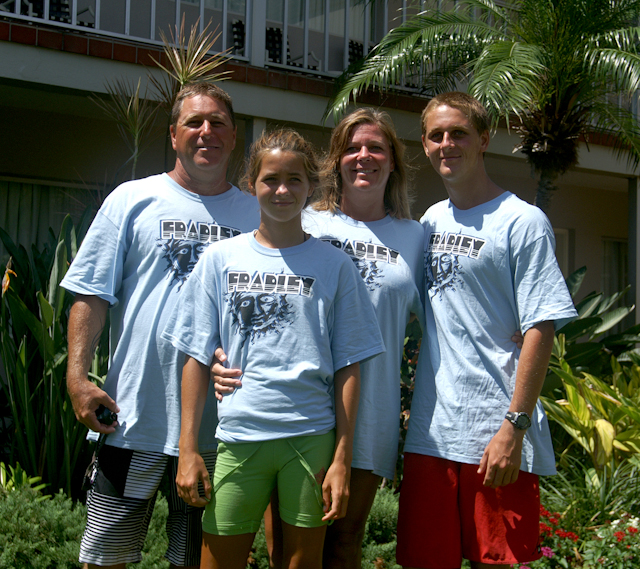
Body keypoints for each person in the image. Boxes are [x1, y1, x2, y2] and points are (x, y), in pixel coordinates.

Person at [161, 128, 385, 569]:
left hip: (311, 438)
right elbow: (193, 354)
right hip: (240, 436)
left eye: (294, 180)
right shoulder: (220, 259)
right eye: (270, 179)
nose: (282, 190)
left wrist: (342, 458)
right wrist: (187, 447)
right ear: (252, 184)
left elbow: (350, 368)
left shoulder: (336, 266)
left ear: (311, 186)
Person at [213, 108, 425, 568]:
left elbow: (446, 312)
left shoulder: (415, 237)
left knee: (346, 539)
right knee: (285, 549)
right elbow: (244, 285)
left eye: (375, 148)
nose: (363, 157)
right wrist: (216, 354)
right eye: (351, 147)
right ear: (335, 161)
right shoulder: (304, 218)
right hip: (295, 409)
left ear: (394, 162)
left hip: (370, 409)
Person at [61, 82, 260, 569]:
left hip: (221, 429)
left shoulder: (259, 214)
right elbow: (91, 294)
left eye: (217, 123)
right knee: (104, 559)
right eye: (194, 122)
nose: (206, 132)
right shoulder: (133, 199)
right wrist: (77, 377)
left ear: (234, 138)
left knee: (195, 562)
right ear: (173, 135)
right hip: (134, 417)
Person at [396, 92, 578, 569]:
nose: (446, 143)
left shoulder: (522, 221)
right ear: (425, 144)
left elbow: (541, 324)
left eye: (458, 132)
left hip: (494, 434)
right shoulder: (430, 221)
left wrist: (513, 426)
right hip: (430, 436)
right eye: (436, 135)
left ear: (484, 139)